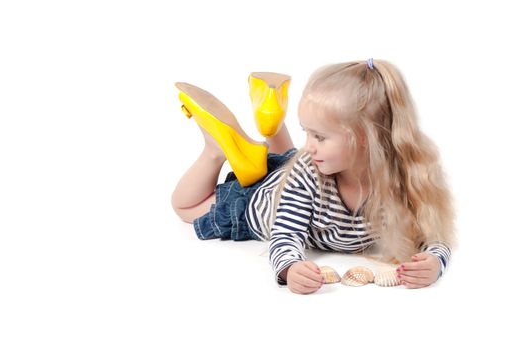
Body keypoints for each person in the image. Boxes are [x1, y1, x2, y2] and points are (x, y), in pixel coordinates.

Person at [171, 59, 456, 294]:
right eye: (306, 131)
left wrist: (434, 261)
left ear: (363, 138)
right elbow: (285, 232)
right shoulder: (311, 168)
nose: (309, 143)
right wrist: (290, 267)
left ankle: (271, 126)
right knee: (184, 207)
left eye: (319, 135)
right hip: (258, 201)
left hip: (291, 170)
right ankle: (216, 149)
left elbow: (432, 230)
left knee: (293, 158)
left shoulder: (401, 176)